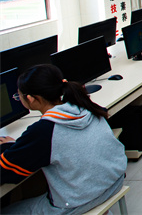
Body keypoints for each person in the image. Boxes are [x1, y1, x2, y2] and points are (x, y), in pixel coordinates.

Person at [0, 64, 127, 215]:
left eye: (18, 96)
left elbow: (6, 170)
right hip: (113, 182)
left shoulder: (44, 130)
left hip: (79, 202)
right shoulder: (84, 106)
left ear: (31, 99)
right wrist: (19, 146)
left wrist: (8, 147)